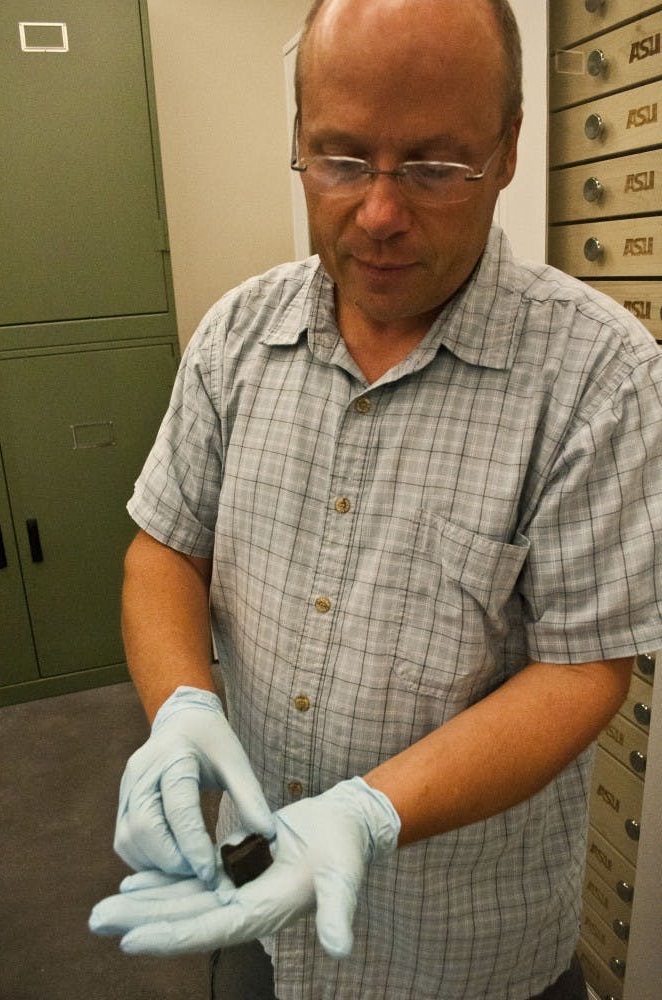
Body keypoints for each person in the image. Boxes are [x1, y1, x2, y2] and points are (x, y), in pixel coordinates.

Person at [89, 0, 662, 997]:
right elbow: (167, 548)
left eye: (435, 167)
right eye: (341, 159)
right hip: (257, 913)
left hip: (460, 956)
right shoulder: (236, 338)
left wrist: (369, 812)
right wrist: (180, 704)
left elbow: (582, 670)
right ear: (299, 140)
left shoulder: (598, 379)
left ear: (508, 149)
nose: (381, 212)